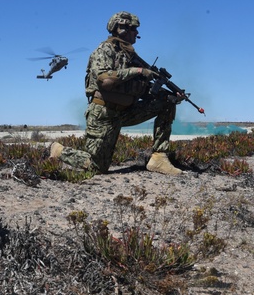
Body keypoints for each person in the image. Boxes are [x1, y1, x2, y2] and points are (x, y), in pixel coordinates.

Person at [50, 11, 184, 176]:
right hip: (103, 115)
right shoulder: (104, 50)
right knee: (96, 167)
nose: (137, 33)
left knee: (166, 103)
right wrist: (138, 71)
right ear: (122, 29)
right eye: (134, 29)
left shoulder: (130, 56)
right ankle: (58, 150)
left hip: (125, 112)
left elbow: (141, 90)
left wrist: (169, 95)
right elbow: (105, 81)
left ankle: (159, 158)